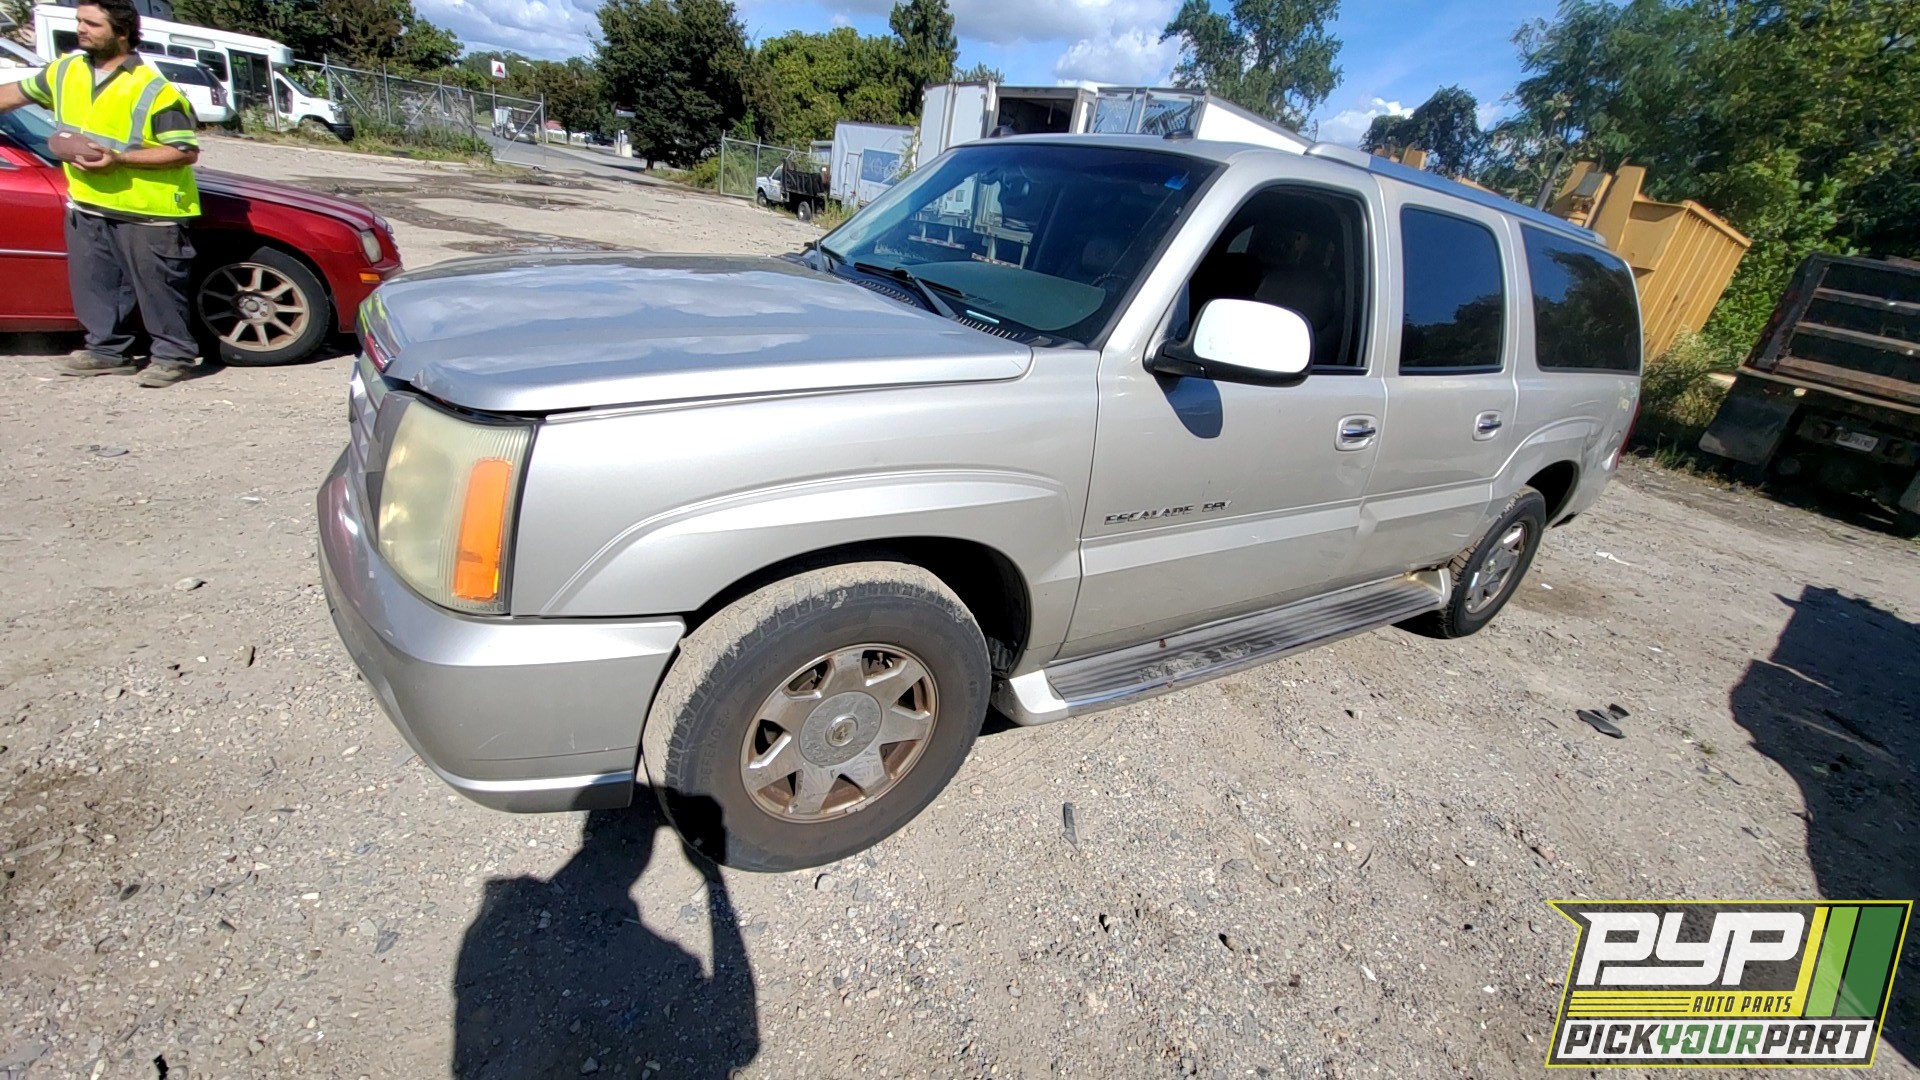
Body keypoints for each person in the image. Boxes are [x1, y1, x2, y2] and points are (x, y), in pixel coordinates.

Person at [0, 0, 203, 387]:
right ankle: (107, 351)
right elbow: (15, 94)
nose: (81, 29)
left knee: (158, 289)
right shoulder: (65, 71)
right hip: (88, 203)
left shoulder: (153, 89)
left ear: (121, 32)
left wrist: (119, 159)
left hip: (149, 210)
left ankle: (173, 356)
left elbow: (184, 151)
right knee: (96, 286)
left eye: (92, 23)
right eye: (79, 21)